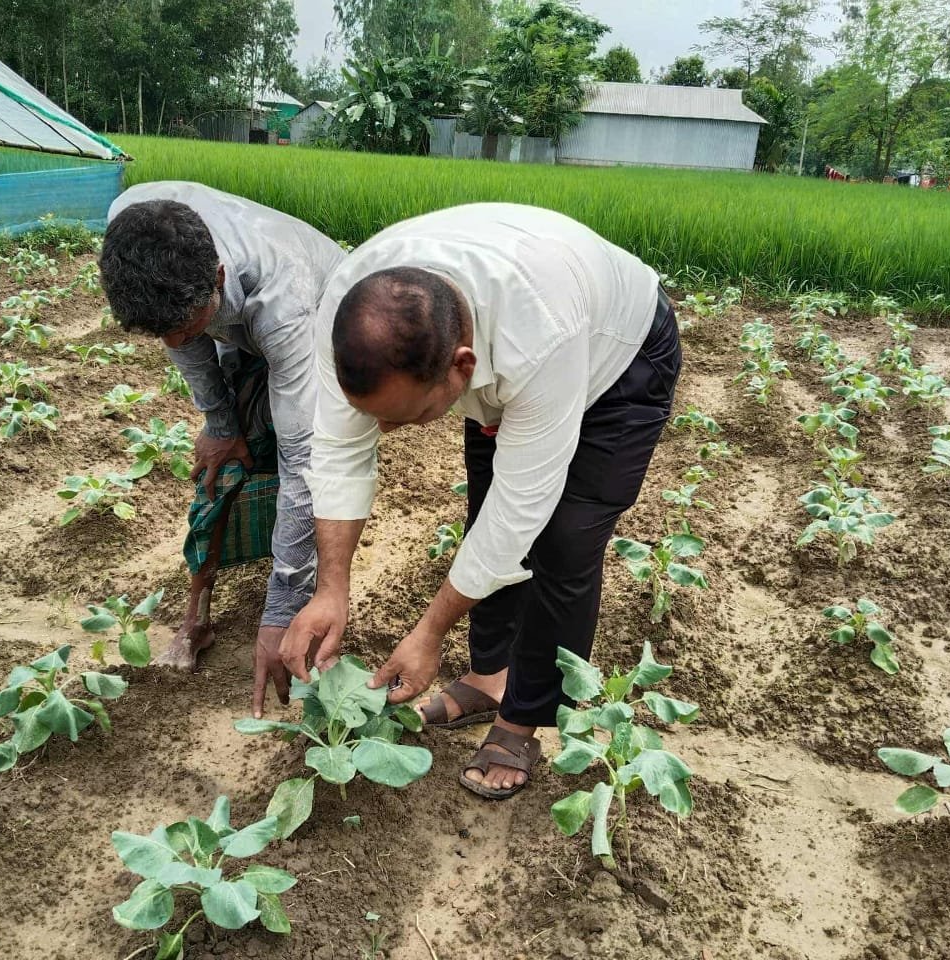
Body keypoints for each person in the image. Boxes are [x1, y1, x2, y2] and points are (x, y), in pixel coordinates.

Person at [280, 202, 682, 800]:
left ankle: (524, 718)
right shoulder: (350, 314)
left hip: (616, 355)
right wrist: (330, 587)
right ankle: (490, 677)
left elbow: (519, 511)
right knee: (483, 508)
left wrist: (430, 630)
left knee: (563, 539)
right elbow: (338, 454)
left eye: (408, 416)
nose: (389, 433)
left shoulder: (538, 332)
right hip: (509, 342)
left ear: (461, 367)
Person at [100, 182, 345, 716]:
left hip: (326, 334)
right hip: (240, 327)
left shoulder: (285, 299)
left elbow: (305, 461)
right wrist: (218, 419)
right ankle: (197, 617)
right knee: (221, 471)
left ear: (217, 279)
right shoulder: (132, 225)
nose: (171, 344)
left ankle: (304, 607)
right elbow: (181, 336)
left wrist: (279, 606)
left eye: (186, 327)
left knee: (304, 476)